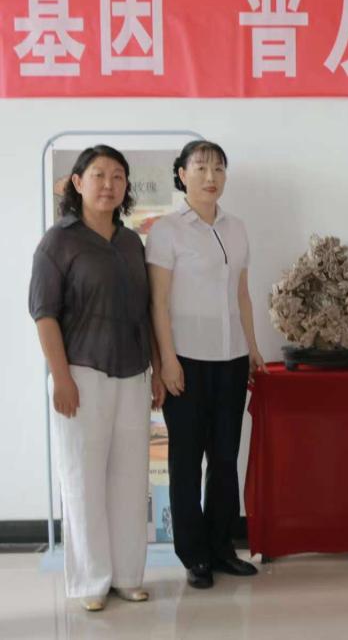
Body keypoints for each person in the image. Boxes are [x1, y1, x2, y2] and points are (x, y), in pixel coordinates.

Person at [30, 145, 164, 611]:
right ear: (77, 182)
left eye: (118, 176)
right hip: (81, 374)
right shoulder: (58, 242)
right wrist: (61, 377)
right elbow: (44, 314)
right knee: (83, 479)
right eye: (99, 175)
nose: (109, 184)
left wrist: (156, 369)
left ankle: (127, 576)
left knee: (129, 480)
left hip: (133, 374)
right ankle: (90, 581)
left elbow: (144, 311)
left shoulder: (131, 243)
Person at [147, 140, 266, 589]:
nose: (210, 176)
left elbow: (242, 295)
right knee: (186, 459)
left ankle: (221, 547)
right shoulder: (167, 230)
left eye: (218, 168)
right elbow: (158, 302)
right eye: (200, 168)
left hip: (230, 358)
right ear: (182, 175)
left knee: (224, 456)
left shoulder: (236, 228)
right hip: (186, 362)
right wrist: (167, 360)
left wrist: (252, 347)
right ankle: (193, 554)